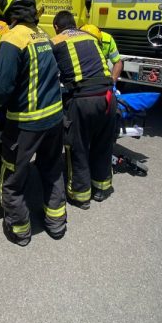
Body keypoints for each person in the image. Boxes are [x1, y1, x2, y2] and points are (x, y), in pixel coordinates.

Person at [0, 0, 66, 245]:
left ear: (8, 9)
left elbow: (2, 89)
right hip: (54, 119)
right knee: (52, 169)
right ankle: (56, 223)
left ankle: (20, 229)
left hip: (25, 124)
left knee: (12, 178)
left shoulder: (12, 39)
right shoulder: (42, 34)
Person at [53, 12, 116, 209]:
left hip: (83, 100)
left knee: (77, 147)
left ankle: (80, 195)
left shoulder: (55, 41)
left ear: (57, 27)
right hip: (107, 97)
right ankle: (101, 187)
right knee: (102, 144)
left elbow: (49, 72)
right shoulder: (90, 37)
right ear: (74, 25)